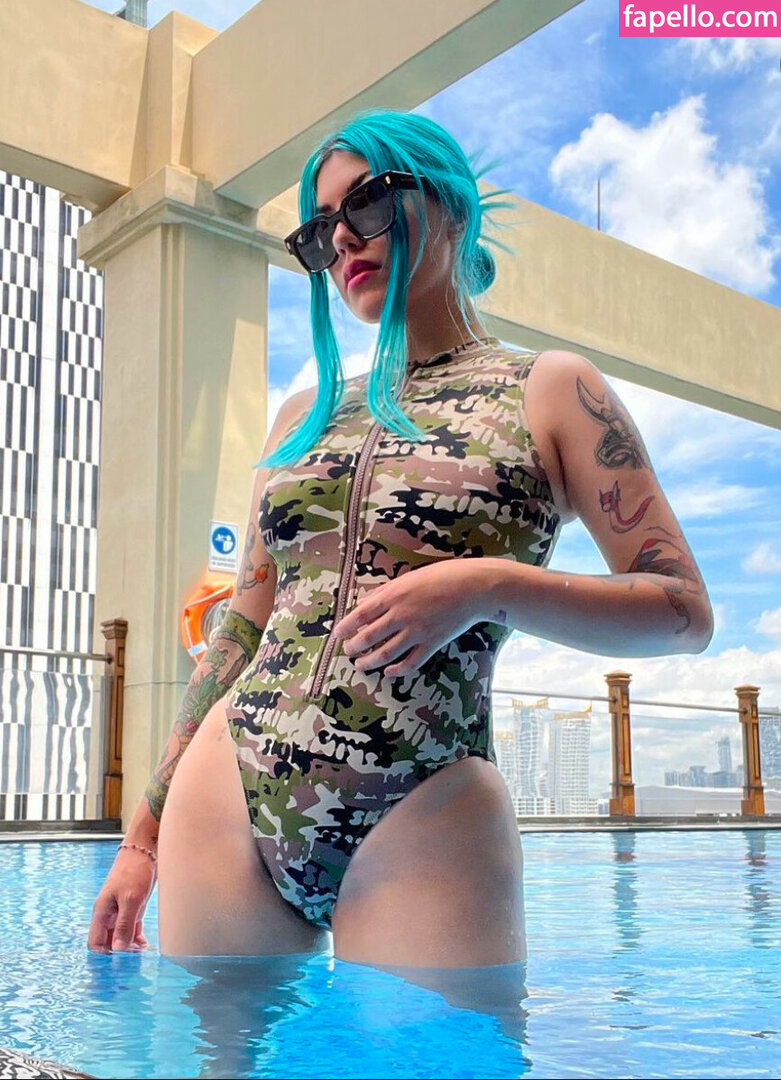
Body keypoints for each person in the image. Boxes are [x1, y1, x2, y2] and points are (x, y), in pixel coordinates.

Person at [87, 109, 713, 967]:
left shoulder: (550, 389)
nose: (344, 237)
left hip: (423, 802)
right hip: (228, 786)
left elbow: (683, 612)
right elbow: (239, 632)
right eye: (320, 229)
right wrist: (142, 838)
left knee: (433, 1042)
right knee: (211, 1041)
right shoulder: (302, 419)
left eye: (368, 202)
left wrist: (486, 586)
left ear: (450, 205)